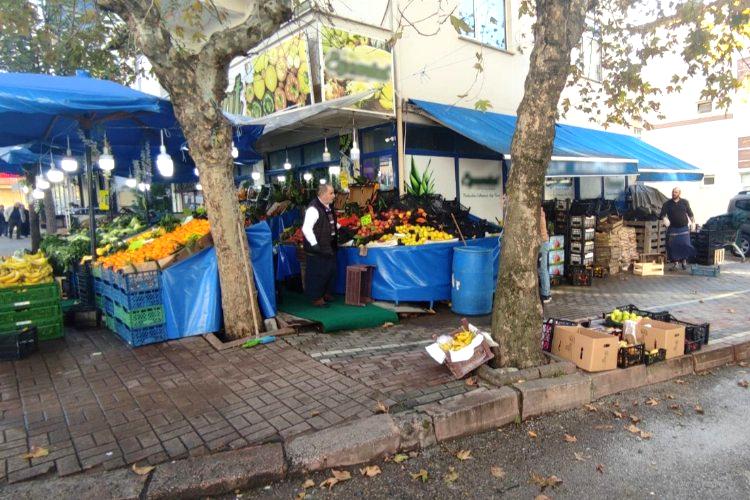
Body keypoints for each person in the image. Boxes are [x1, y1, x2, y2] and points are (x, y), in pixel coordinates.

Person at [301, 184, 339, 307]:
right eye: (331, 193)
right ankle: (316, 298)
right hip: (318, 246)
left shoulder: (328, 207)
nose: (334, 196)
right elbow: (306, 228)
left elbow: (329, 222)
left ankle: (325, 293)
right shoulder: (313, 209)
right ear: (323, 194)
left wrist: (341, 229)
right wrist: (314, 244)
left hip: (328, 244)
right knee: (318, 272)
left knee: (329, 270)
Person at [659, 187, 696, 270]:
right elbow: (662, 214)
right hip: (673, 228)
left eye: (676, 192)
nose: (673, 193)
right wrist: (664, 218)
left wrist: (693, 222)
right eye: (673, 192)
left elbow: (690, 213)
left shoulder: (685, 202)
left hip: (684, 228)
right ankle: (676, 264)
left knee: (685, 245)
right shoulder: (667, 204)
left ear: (679, 193)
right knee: (673, 246)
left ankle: (684, 262)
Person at [538, 206, 551, 304]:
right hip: (544, 243)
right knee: (542, 269)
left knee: (542, 269)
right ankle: (545, 292)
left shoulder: (538, 214)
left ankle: (546, 294)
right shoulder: (540, 211)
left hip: (542, 243)